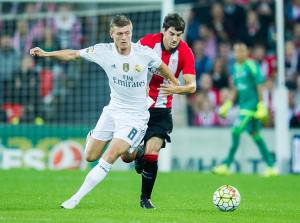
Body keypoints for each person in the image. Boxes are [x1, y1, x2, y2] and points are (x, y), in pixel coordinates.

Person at [30, 14, 179, 209]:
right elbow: (73, 54)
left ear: (131, 33)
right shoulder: (103, 51)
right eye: (119, 33)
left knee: (110, 156)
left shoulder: (144, 53)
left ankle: (74, 199)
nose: (124, 37)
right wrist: (46, 54)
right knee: (91, 156)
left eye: (127, 33)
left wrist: (177, 86)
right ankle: (136, 150)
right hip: (112, 111)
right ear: (112, 34)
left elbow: (164, 68)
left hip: (135, 117)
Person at [121, 13, 196, 209]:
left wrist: (176, 89)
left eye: (179, 35)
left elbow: (192, 86)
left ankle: (145, 199)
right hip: (138, 108)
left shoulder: (186, 53)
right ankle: (137, 155)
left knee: (152, 153)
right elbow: (127, 63)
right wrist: (136, 84)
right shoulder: (147, 42)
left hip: (161, 111)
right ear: (164, 30)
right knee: (125, 156)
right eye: (172, 33)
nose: (175, 39)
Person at [212, 43, 278, 177]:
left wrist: (261, 105)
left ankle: (226, 164)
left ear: (246, 52)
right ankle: (271, 166)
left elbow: (259, 85)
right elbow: (237, 88)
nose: (238, 54)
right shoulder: (235, 67)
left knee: (236, 131)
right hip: (243, 106)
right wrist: (229, 103)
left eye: (241, 51)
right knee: (256, 136)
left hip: (251, 108)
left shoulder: (251, 65)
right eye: (236, 51)